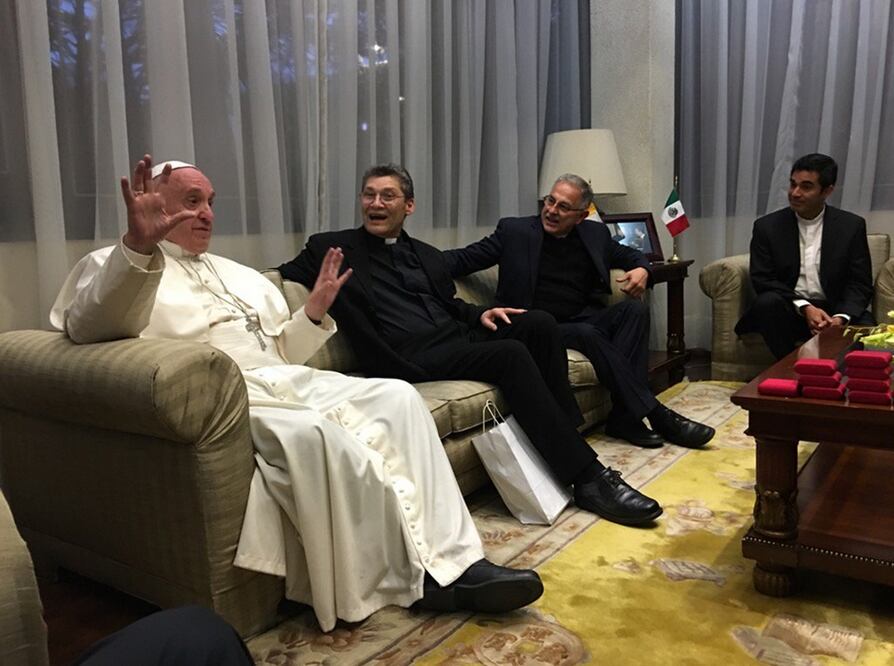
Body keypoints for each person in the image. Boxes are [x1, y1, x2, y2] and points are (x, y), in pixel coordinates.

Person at [50, 155, 542, 633]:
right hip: (226, 395)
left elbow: (282, 353)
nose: (206, 214)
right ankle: (395, 583)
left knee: (398, 397)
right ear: (152, 205)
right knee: (316, 434)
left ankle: (459, 563)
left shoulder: (236, 273)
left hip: (281, 379)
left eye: (210, 202)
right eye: (191, 201)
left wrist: (312, 312)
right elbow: (92, 326)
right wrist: (137, 247)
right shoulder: (112, 264)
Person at [279, 164, 662, 527]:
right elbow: (274, 278)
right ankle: (588, 479)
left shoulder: (427, 255)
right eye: (369, 195)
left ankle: (564, 437)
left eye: (388, 196)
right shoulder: (330, 248)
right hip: (406, 355)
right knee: (510, 355)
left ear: (408, 205)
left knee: (539, 324)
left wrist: (480, 313)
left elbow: (449, 304)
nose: (376, 204)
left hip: (454, 339)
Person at [444, 173, 715, 451]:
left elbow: (629, 255)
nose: (551, 210)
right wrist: (414, 260)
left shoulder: (594, 233)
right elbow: (463, 258)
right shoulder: (515, 232)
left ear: (581, 216)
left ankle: (624, 417)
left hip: (581, 317)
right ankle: (656, 414)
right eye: (550, 200)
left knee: (634, 312)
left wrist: (642, 269)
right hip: (539, 327)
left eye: (563, 207)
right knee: (589, 333)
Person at [735, 153, 874, 358]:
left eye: (806, 186)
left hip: (834, 309)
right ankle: (791, 370)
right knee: (766, 303)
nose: (795, 193)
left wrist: (840, 318)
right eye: (793, 184)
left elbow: (860, 283)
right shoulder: (767, 227)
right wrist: (805, 307)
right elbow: (763, 279)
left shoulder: (851, 226)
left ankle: (840, 382)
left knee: (869, 331)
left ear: (827, 191)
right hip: (789, 309)